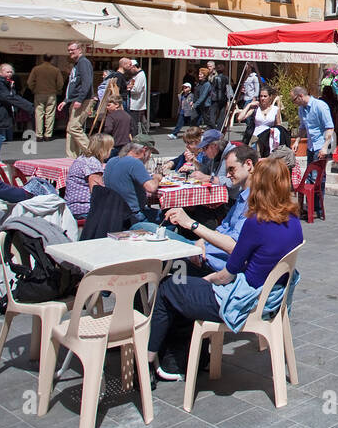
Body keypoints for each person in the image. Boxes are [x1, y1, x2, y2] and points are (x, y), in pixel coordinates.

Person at [146, 156, 303, 381]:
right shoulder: (294, 222)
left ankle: (148, 361)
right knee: (184, 284)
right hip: (270, 298)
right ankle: (182, 359)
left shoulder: (255, 223)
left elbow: (227, 274)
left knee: (169, 286)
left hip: (244, 299)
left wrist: (206, 281)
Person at [162, 144, 261, 272]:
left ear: (248, 164)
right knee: (147, 236)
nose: (228, 175)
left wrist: (191, 224)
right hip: (205, 251)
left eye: (232, 169)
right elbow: (222, 228)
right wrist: (202, 241)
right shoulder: (242, 198)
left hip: (211, 263)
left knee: (154, 257)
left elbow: (234, 247)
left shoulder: (254, 200)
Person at [292, 86, 333, 220]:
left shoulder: (320, 106)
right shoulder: (301, 109)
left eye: (294, 100)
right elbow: (303, 127)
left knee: (317, 178)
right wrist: (297, 141)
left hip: (320, 145)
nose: (294, 103)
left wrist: (325, 147)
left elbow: (329, 127)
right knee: (309, 177)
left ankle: (317, 208)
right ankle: (310, 207)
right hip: (310, 146)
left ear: (300, 96)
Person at [102, 142, 166, 226]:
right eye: (150, 153)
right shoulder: (135, 163)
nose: (149, 157)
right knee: (169, 217)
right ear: (144, 150)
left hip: (113, 212)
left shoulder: (112, 161)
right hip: (133, 214)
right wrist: (157, 178)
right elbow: (151, 188)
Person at [0, 63, 34, 166]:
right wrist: (28, 106)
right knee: (0, 136)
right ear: (0, 72)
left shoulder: (4, 83)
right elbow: (9, 97)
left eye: (11, 72)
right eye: (7, 72)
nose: (10, 74)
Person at [64, 134, 112, 224]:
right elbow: (97, 191)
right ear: (103, 149)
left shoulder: (82, 159)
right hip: (84, 208)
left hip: (72, 205)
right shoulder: (93, 163)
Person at [58, 42, 94, 158]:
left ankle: (92, 152)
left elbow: (86, 82)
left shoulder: (83, 63)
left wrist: (80, 99)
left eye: (72, 50)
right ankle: (72, 156)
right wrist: (66, 100)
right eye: (68, 50)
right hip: (75, 99)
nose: (70, 52)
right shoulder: (77, 64)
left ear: (80, 49)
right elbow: (73, 85)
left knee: (74, 127)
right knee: (70, 130)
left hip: (83, 100)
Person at [27, 55, 64, 142]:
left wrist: (34, 89)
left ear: (42, 59)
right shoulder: (56, 70)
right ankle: (48, 134)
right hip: (51, 94)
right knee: (50, 114)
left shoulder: (36, 69)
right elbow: (60, 83)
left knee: (39, 114)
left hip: (39, 93)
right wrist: (57, 90)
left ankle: (39, 135)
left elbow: (29, 82)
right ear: (52, 59)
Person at [125, 58, 148, 136]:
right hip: (134, 103)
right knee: (133, 124)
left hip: (136, 104)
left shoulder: (140, 75)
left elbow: (137, 90)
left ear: (134, 67)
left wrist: (128, 89)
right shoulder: (137, 75)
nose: (130, 71)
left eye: (130, 69)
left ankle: (134, 138)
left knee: (134, 124)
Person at [207, 60, 230, 129]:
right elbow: (228, 88)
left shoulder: (215, 78)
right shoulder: (226, 78)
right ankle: (219, 128)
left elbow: (213, 89)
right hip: (223, 98)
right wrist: (229, 98)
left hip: (215, 98)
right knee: (222, 115)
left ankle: (212, 127)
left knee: (212, 114)